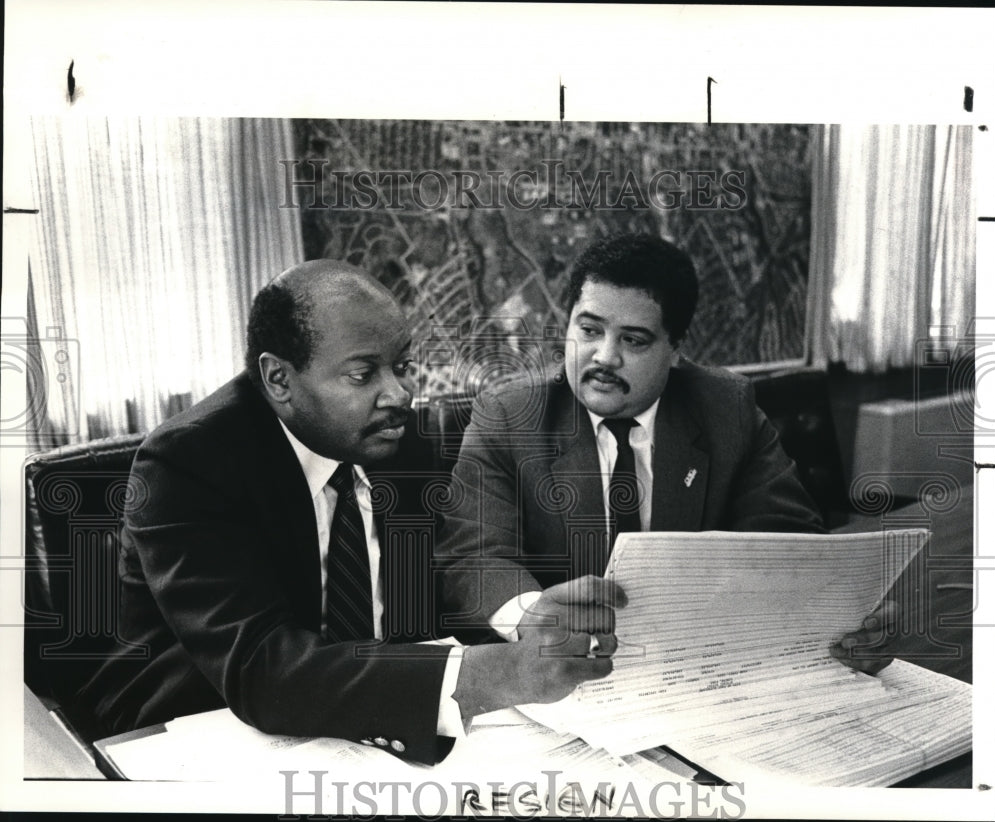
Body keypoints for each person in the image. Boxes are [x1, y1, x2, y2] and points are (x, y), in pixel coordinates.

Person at [79, 260, 625, 765]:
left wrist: (523, 616)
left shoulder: (397, 444)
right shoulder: (188, 463)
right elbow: (261, 668)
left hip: (364, 734)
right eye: (364, 375)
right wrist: (493, 676)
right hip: (200, 728)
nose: (400, 394)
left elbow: (436, 587)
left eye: (402, 366)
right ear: (278, 380)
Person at [436, 233, 895, 675]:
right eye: (589, 329)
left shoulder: (726, 408)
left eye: (633, 340)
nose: (604, 357)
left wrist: (844, 617)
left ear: (676, 349)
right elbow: (473, 558)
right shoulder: (510, 416)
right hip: (561, 678)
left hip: (695, 670)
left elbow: (787, 545)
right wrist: (532, 615)